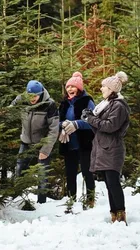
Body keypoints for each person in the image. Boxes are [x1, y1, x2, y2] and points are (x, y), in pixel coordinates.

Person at [81, 71, 130, 225]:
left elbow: (110, 126)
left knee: (113, 182)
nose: (101, 89)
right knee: (109, 184)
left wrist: (91, 118)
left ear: (111, 89)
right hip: (105, 148)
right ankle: (114, 215)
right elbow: (99, 129)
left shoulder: (119, 106)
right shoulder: (106, 105)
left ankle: (121, 215)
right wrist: (89, 118)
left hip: (113, 148)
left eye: (103, 86)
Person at [12, 80, 59, 203]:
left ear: (41, 93)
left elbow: (54, 130)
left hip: (42, 143)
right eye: (30, 96)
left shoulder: (50, 105)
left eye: (36, 96)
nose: (33, 98)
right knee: (19, 169)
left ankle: (41, 202)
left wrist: (45, 149)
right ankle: (16, 199)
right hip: (26, 142)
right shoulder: (21, 100)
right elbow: (9, 111)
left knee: (42, 173)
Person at [58, 72, 95, 208]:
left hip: (84, 143)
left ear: (79, 88)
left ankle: (90, 199)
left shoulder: (87, 101)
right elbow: (57, 120)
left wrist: (76, 124)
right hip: (68, 142)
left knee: (86, 171)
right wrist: (62, 125)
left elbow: (92, 121)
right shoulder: (64, 103)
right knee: (70, 172)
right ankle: (71, 198)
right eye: (68, 87)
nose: (70, 89)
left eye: (73, 87)